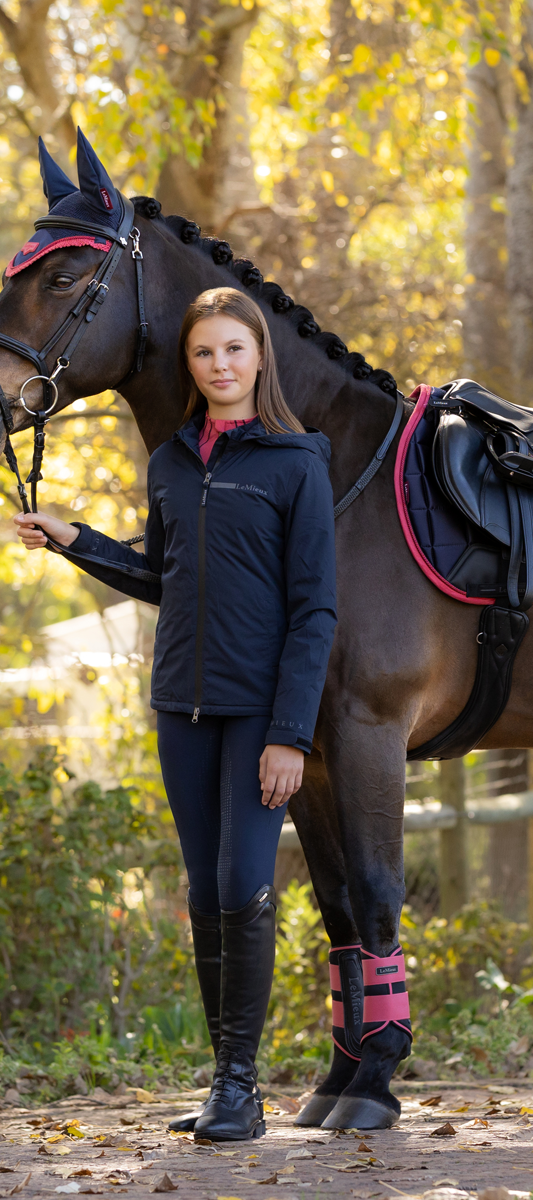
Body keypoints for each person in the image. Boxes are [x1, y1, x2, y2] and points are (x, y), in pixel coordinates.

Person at [14, 287, 338, 1142]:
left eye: (234, 349)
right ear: (189, 366)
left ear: (259, 356)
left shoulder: (297, 461)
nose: (220, 365)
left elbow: (315, 613)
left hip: (259, 714)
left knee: (243, 886)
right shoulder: (171, 462)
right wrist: (75, 539)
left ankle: (241, 1083)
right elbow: (160, 577)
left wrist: (289, 735)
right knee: (204, 895)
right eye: (203, 354)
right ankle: (226, 1084)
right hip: (181, 708)